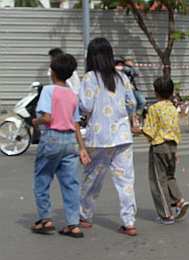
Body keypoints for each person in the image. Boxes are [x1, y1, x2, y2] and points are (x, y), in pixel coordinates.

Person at [79, 37, 138, 236]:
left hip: (99, 137)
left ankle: (85, 216)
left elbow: (85, 106)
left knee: (92, 178)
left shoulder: (89, 78)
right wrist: (128, 118)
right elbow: (132, 103)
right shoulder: (122, 77)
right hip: (123, 136)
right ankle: (129, 222)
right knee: (126, 182)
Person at [31, 53, 91, 238]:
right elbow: (76, 124)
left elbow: (47, 117)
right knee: (70, 183)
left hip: (52, 138)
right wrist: (82, 148)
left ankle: (45, 219)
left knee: (42, 178)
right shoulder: (72, 95)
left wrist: (36, 121)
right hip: (69, 142)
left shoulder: (49, 90)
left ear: (53, 72)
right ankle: (73, 224)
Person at [142, 76, 189, 225]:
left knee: (158, 180)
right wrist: (175, 152)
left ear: (156, 92)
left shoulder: (154, 108)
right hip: (172, 146)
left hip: (159, 146)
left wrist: (137, 130)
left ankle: (166, 214)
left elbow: (149, 130)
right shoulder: (172, 108)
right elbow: (176, 130)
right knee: (170, 176)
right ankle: (179, 200)